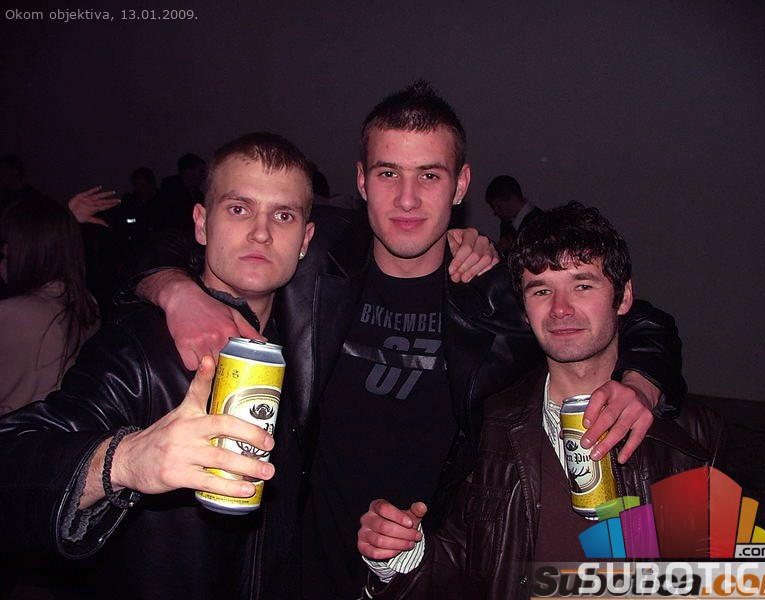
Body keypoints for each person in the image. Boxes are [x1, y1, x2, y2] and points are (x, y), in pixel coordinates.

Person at [133, 81, 686, 599]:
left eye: (429, 176)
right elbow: (168, 245)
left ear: (461, 185)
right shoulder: (313, 261)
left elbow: (630, 316)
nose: (406, 199)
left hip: (431, 568)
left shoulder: (495, 294)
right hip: (302, 566)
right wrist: (175, 289)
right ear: (360, 180)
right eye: (388, 173)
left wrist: (642, 382)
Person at [0, 132, 317, 599]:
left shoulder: (311, 339)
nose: (261, 232)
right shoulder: (141, 347)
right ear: (202, 224)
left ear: (306, 239)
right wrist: (124, 460)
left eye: (283, 215)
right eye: (239, 209)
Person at [357, 202, 724, 600]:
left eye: (582, 286)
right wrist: (400, 552)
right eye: (542, 290)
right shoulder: (495, 426)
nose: (560, 308)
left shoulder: (691, 435)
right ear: (524, 308)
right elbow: (466, 563)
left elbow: (710, 579)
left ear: (623, 298)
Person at [0, 196, 100, 414]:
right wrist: (62, 224)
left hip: (20, 432)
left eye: (9, 242)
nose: (4, 250)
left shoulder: (15, 315)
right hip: (63, 429)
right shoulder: (85, 302)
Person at [484, 174, 542, 256]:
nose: (495, 211)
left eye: (499, 206)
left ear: (513, 199)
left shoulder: (538, 222)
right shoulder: (506, 223)